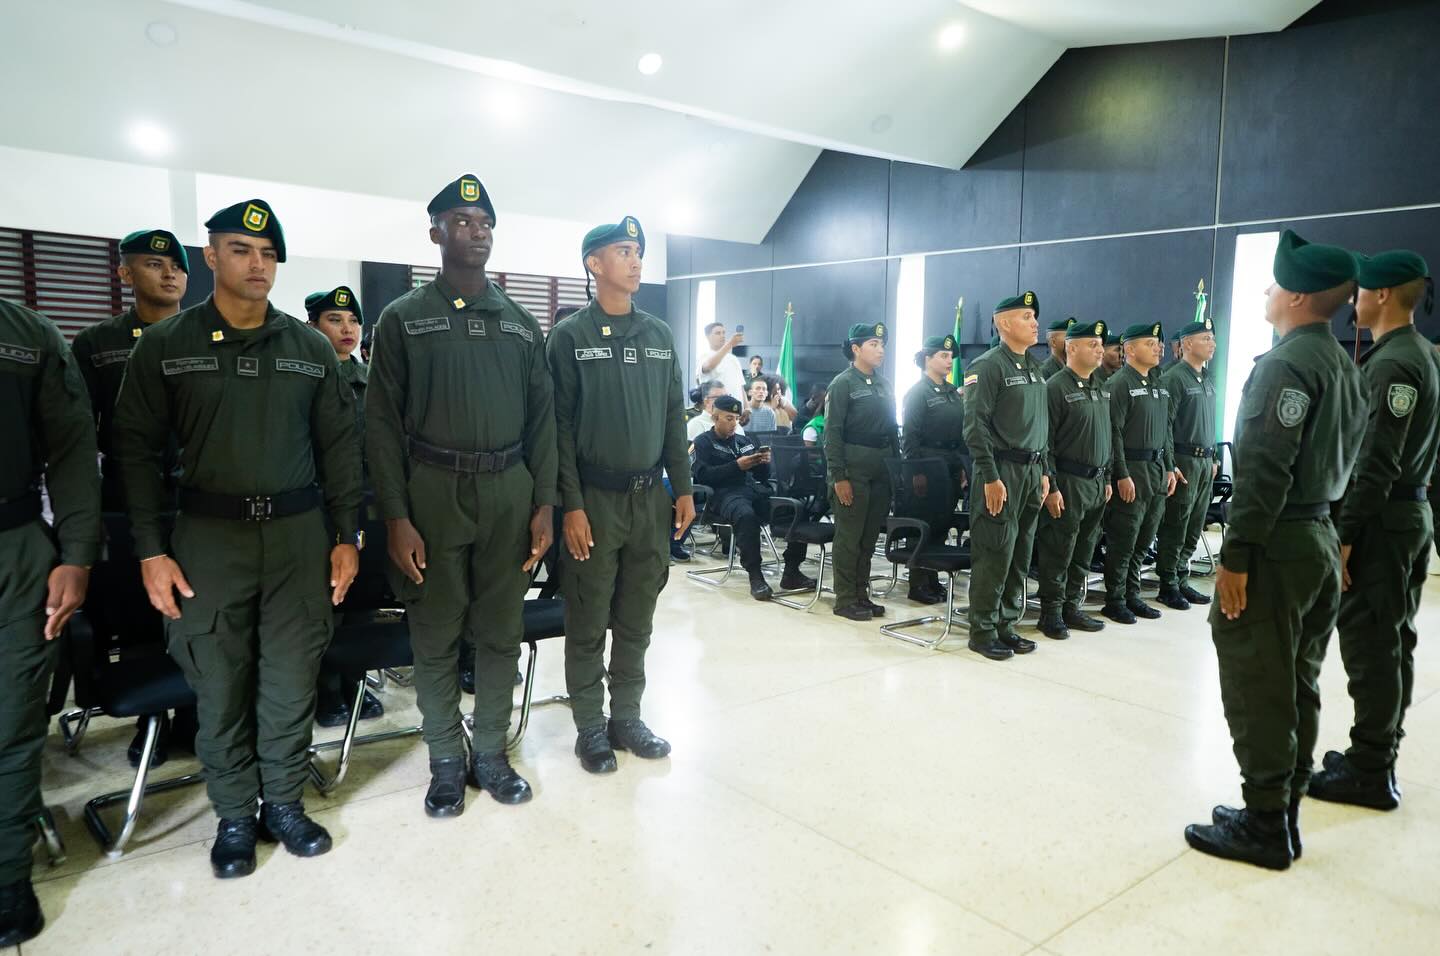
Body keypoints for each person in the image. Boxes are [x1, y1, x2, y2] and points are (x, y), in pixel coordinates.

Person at [113, 199, 363, 879]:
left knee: (289, 679)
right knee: (219, 682)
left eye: (269, 254)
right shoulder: (169, 345)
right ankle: (232, 814)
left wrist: (347, 537)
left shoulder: (311, 350)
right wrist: (149, 549)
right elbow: (133, 452)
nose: (258, 265)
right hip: (207, 538)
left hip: (296, 537)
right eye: (242, 250)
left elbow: (340, 453)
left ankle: (282, 802)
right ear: (211, 257)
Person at [366, 175, 556, 815]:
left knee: (501, 632)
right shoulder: (404, 319)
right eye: (462, 220)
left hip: (509, 490)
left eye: (485, 223)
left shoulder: (523, 326)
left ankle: (494, 754)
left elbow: (542, 425)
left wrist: (545, 504)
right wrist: (394, 514)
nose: (477, 231)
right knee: (436, 632)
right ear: (435, 233)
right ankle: (446, 758)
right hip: (431, 492)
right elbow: (381, 427)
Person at [1184, 229, 1366, 871]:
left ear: (1296, 295)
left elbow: (1263, 472)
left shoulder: (1285, 365)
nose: (1264, 290)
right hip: (1314, 537)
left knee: (1259, 681)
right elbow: (1351, 462)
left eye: (1273, 282)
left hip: (1277, 545)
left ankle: (1265, 824)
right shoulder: (1344, 362)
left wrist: (1235, 559)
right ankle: (1281, 807)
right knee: (1297, 681)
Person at [548, 216, 694, 774]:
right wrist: (572, 506)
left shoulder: (657, 335)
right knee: (587, 616)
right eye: (622, 251)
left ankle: (626, 717)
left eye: (638, 251)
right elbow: (556, 431)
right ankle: (590, 726)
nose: (635, 261)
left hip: (647, 501)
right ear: (594, 265)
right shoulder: (569, 337)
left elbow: (672, 420)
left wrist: (681, 487)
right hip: (594, 499)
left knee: (638, 615)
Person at [1310, 250, 1439, 810]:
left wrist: (1344, 534)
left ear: (1383, 295)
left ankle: (1370, 768)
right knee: (1393, 641)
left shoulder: (1393, 364)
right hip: (1406, 516)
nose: (1353, 299)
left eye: (1361, 290)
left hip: (1383, 522)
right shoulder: (1420, 354)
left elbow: (1376, 463)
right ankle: (1376, 752)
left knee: (1372, 645)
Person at [71, 228, 197, 769]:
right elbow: (78, 434)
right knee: (142, 611)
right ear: (125, 273)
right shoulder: (97, 345)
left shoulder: (207, 336)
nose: (168, 274)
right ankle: (154, 719)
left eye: (176, 266)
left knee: (196, 609)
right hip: (126, 498)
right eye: (152, 263)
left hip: (196, 497)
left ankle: (193, 717)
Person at [0, 298, 99, 947]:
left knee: (12, 720)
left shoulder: (28, 336)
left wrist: (76, 555)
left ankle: (7, 875)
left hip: (13, 548)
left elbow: (70, 451)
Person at [304, 285, 386, 729]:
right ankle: (325, 688)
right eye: (335, 320)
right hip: (316, 508)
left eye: (353, 321)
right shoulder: (303, 378)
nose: (347, 329)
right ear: (313, 326)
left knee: (361, 601)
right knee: (323, 603)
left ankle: (355, 682)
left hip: (363, 507)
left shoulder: (371, 382)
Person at [962, 292, 1047, 660]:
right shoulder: (987, 366)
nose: (1035, 322)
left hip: (1031, 472)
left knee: (1020, 553)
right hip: (1001, 472)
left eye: (1034, 317)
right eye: (1026, 316)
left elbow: (1040, 425)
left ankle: (1006, 625)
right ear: (1003, 323)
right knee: (995, 551)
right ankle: (982, 630)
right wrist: (990, 476)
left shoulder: (1035, 366)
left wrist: (1044, 471)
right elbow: (975, 427)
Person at [692, 395, 815, 600]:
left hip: (754, 490)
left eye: (737, 419)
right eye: (728, 418)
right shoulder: (703, 442)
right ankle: (755, 575)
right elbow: (702, 476)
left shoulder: (744, 441)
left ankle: (792, 571)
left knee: (798, 510)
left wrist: (763, 463)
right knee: (746, 516)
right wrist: (736, 466)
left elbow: (762, 477)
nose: (734, 423)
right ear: (715, 417)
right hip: (724, 496)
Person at [1035, 320, 1112, 640]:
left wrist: (1107, 476)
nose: (1099, 350)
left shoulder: (1101, 385)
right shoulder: (1055, 386)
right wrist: (1051, 485)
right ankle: (1050, 613)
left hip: (1096, 482)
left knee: (1084, 550)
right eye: (1091, 344)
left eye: (1100, 345)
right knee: (1059, 549)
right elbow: (1045, 441)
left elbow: (1106, 435)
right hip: (1068, 481)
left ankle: (1071, 606)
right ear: (1071, 348)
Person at [1101, 323, 1176, 624]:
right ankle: (1115, 599)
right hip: (1132, 470)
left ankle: (1133, 594)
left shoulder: (1158, 384)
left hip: (1156, 470)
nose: (1158, 347)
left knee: (1145, 539)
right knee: (1124, 539)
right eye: (1150, 343)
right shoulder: (1119, 383)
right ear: (1130, 350)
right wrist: (1120, 473)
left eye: (1158, 343)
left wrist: (1170, 466)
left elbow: (1166, 430)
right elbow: (1113, 432)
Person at [825, 323, 897, 621]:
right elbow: (832, 433)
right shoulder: (842, 384)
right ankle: (844, 598)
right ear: (855, 349)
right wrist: (838, 476)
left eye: (882, 345)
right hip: (853, 466)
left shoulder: (884, 384)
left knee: (869, 537)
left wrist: (897, 467)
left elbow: (892, 428)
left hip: (881, 466)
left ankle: (861, 594)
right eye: (873, 344)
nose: (880, 350)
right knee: (849, 535)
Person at [1155, 318, 1220, 610]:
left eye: (1212, 339)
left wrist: (1215, 456)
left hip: (1205, 461)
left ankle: (1182, 576)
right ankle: (1168, 582)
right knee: (1177, 522)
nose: (1212, 344)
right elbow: (1165, 426)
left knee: (1195, 523)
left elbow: (1210, 423)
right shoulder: (1174, 378)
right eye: (1206, 339)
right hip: (1184, 460)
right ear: (1187, 344)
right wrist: (1170, 463)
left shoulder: (1206, 378)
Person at [900, 334, 965, 604]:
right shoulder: (918, 393)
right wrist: (916, 472)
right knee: (923, 524)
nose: (949, 361)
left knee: (941, 523)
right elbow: (910, 437)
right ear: (928, 359)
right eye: (943, 356)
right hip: (926, 462)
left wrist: (962, 466)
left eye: (951, 357)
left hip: (949, 463)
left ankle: (933, 577)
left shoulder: (952, 392)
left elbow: (961, 432)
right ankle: (917, 582)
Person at [697, 321, 747, 401]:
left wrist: (747, 406)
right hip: (716, 409)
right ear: (708, 337)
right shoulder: (704, 356)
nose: (722, 336)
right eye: (718, 333)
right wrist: (730, 344)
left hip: (737, 409)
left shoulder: (733, 358)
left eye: (723, 333)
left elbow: (740, 385)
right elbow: (709, 366)